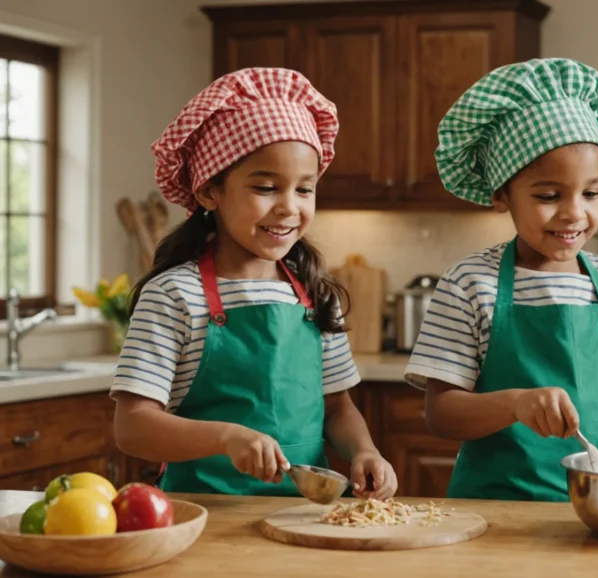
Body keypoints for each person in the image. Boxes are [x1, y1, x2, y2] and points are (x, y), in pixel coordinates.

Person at [403, 58, 598, 502]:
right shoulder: (470, 283)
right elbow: (441, 414)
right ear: (501, 195)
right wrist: (515, 403)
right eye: (549, 196)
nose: (574, 212)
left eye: (591, 193)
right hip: (495, 509)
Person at [110, 67, 397, 499]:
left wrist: (364, 450)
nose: (288, 208)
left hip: (305, 515)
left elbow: (337, 407)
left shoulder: (317, 295)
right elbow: (132, 427)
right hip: (204, 514)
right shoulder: (174, 295)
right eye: (266, 187)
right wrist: (225, 438)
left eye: (305, 189)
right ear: (209, 192)